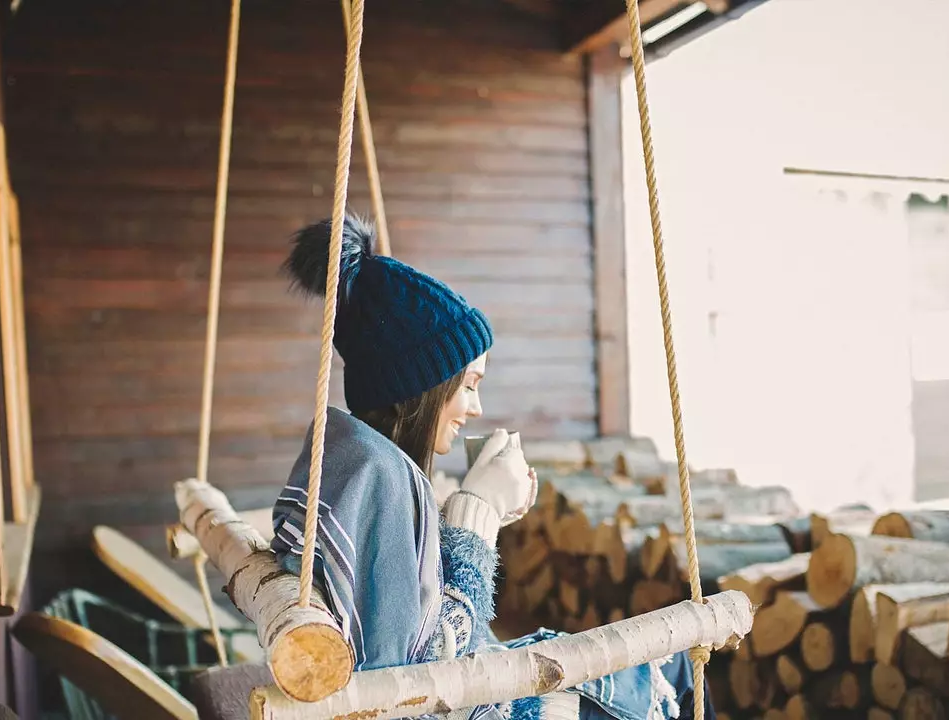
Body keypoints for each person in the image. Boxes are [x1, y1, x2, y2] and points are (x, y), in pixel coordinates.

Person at [271, 215, 712, 720]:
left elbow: (402, 615)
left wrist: (487, 515)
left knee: (667, 666)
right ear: (422, 385)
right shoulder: (378, 476)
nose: (475, 407)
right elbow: (431, 671)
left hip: (471, 693)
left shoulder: (353, 456)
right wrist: (475, 514)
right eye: (470, 384)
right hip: (476, 707)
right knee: (678, 671)